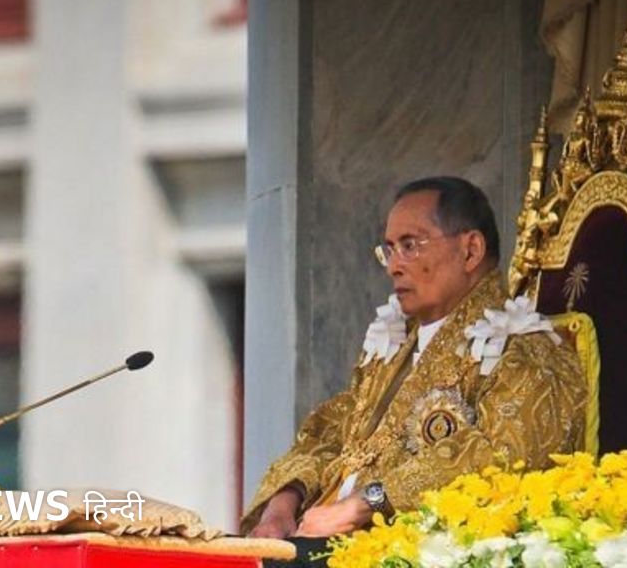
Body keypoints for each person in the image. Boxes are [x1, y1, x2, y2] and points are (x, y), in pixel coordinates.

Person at [243, 177, 586, 566]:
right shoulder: (392, 349)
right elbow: (328, 433)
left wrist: (363, 505)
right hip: (310, 538)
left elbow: (502, 459)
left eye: (410, 245)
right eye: (389, 249)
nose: (394, 266)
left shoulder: (525, 350)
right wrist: (282, 505)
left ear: (471, 250)